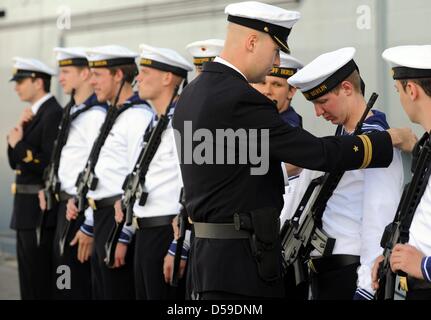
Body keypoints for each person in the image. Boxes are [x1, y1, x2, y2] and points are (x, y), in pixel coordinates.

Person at [172, 1, 416, 300]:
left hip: (209, 260)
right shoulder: (239, 98)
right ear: (252, 42)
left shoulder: (191, 96)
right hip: (242, 266)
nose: (275, 61)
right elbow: (318, 152)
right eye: (275, 51)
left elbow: (228, 167)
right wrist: (387, 139)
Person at [288, 47, 404, 300]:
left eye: (322, 101)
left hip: (349, 275)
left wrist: (366, 288)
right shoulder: (344, 140)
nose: (318, 112)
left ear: (347, 88)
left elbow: (380, 219)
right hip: (326, 275)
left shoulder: (377, 144)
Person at [66, 45, 154, 299]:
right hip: (101, 215)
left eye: (98, 75)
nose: (92, 81)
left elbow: (137, 178)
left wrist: (123, 234)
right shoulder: (114, 114)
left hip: (117, 221)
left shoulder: (137, 116)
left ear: (118, 75)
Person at [114, 43, 193, 299]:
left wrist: (180, 245)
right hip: (145, 233)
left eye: (146, 73)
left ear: (168, 78)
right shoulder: (155, 122)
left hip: (166, 233)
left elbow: (192, 188)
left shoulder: (183, 123)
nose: (137, 78)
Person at [40, 47, 107, 299]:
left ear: (86, 74)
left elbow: (101, 170)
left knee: (75, 283)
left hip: (79, 209)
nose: (60, 78)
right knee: (63, 279)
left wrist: (88, 218)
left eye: (66, 71)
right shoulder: (72, 111)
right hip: (64, 205)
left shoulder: (96, 117)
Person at [371, 45, 431, 300]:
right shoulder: (426, 147)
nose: (400, 98)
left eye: (398, 91)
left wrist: (425, 266)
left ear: (411, 90)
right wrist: (391, 257)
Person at [7, 57, 62, 299]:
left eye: (21, 81)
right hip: (25, 212)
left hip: (39, 213)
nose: (16, 87)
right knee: (28, 282)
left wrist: (18, 144)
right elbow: (14, 161)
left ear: (38, 82)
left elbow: (48, 165)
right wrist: (19, 130)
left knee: (38, 283)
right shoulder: (33, 114)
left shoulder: (52, 114)